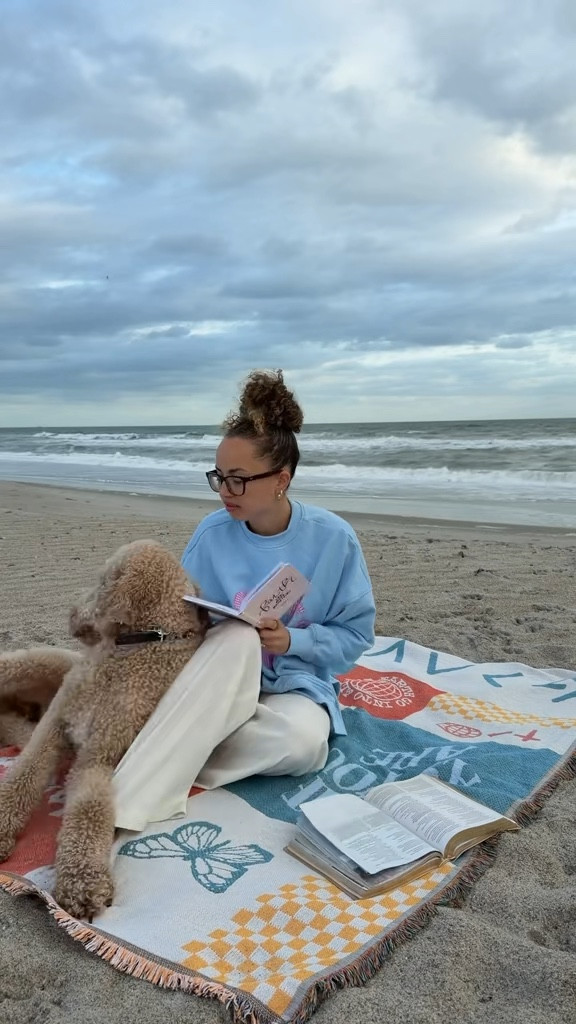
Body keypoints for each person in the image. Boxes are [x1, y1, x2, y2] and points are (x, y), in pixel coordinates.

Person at [112, 370, 376, 831]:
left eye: (238, 480)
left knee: (303, 747)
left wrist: (290, 640)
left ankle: (174, 751)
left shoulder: (334, 539)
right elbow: (181, 620)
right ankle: (122, 806)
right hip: (216, 680)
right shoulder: (212, 534)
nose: (224, 492)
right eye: (219, 477)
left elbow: (354, 637)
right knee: (236, 635)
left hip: (291, 685)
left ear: (281, 479)